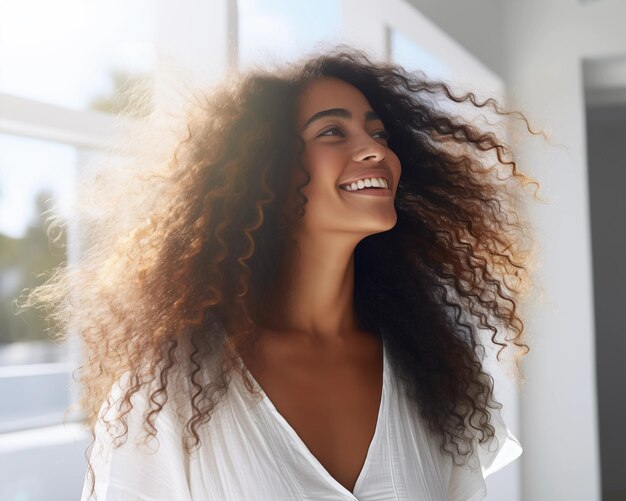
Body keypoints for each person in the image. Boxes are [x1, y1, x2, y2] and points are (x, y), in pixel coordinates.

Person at [22, 46, 539, 500]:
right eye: (332, 131)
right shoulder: (174, 388)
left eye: (378, 132)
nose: (376, 150)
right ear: (265, 170)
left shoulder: (431, 372)